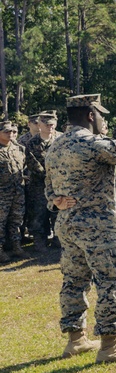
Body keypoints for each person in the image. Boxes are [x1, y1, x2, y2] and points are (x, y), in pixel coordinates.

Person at [46, 94, 116, 363]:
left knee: (74, 281)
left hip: (67, 224)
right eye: (101, 115)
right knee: (110, 281)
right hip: (97, 226)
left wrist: (56, 201)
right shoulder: (95, 143)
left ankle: (75, 340)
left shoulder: (56, 146)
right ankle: (110, 345)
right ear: (90, 115)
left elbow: (49, 190)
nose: (104, 120)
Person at [25, 111, 61, 251]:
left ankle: (58, 239)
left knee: (58, 211)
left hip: (58, 183)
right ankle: (40, 240)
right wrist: (49, 176)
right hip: (39, 185)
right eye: (46, 124)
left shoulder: (60, 139)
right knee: (39, 213)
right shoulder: (32, 143)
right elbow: (33, 164)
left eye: (52, 124)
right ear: (39, 124)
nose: (49, 126)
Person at [0, 121, 27, 263]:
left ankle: (17, 247)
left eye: (12, 131)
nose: (10, 134)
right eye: (6, 132)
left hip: (18, 191)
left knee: (16, 220)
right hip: (2, 194)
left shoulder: (18, 149)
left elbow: (25, 166)